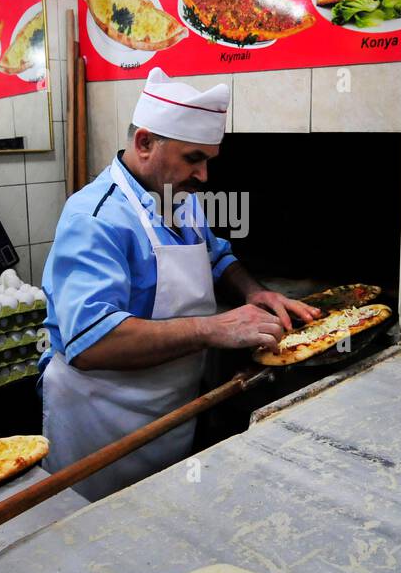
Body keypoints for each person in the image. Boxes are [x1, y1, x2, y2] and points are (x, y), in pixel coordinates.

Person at [39, 68, 321, 500]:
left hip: (171, 410)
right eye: (194, 158)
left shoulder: (178, 199)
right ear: (145, 143)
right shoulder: (94, 219)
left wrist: (252, 291)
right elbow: (90, 344)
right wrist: (213, 328)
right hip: (100, 421)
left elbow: (216, 256)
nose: (204, 176)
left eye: (208, 160)